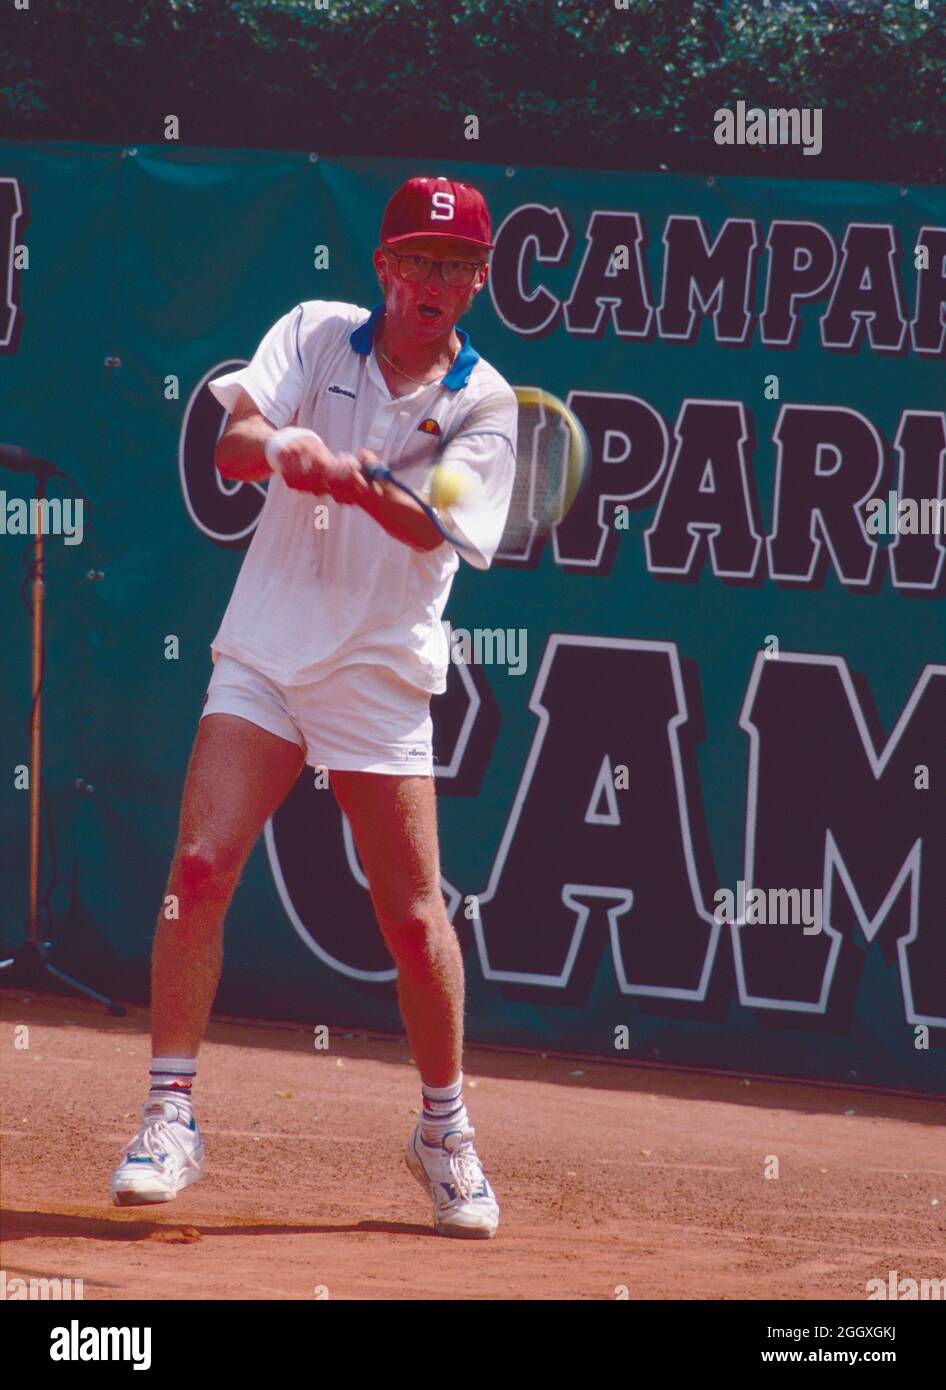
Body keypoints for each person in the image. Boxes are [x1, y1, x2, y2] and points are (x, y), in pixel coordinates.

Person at [110, 176, 517, 1239]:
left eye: (454, 264)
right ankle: (168, 1114)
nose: (431, 280)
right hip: (266, 655)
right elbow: (232, 443)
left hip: (379, 680)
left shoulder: (485, 405)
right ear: (381, 266)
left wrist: (347, 476)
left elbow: (433, 531)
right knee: (198, 868)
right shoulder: (310, 331)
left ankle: (444, 1129)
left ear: (479, 281)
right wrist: (279, 447)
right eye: (414, 259)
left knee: (413, 917)